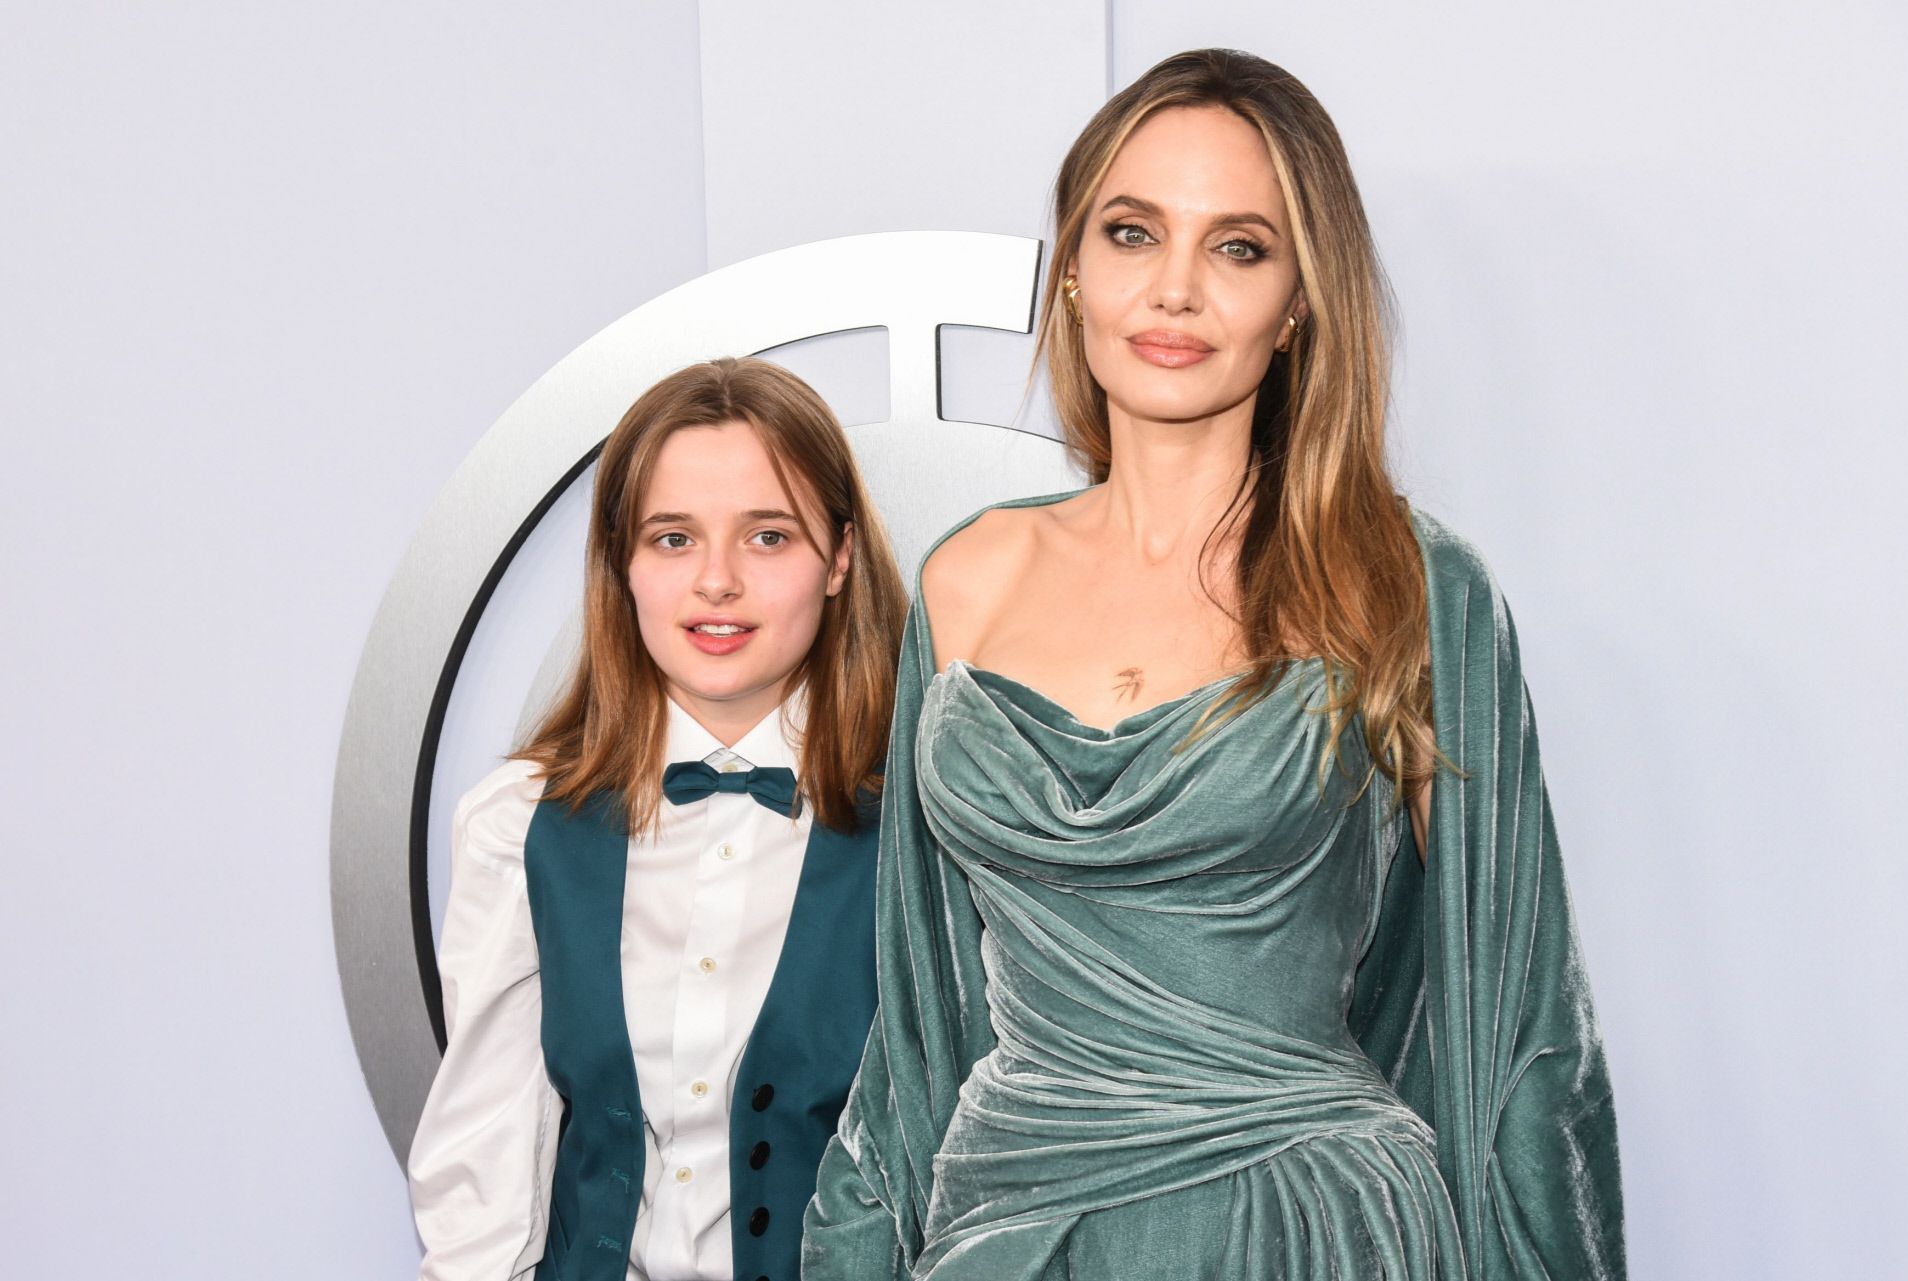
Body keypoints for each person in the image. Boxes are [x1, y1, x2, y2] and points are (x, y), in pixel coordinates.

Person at [801, 48, 1627, 1281]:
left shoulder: (1402, 582)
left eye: (1238, 247)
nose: (1174, 290)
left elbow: (1522, 1039)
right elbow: (918, 1028)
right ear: (1073, 270)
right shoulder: (968, 579)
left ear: (1300, 301)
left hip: (1311, 1230)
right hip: (1010, 1227)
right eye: (1132, 233)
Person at [407, 356, 908, 1281]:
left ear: (839, 559)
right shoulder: (518, 823)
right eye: (673, 539)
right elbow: (481, 1164)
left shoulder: (928, 822)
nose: (716, 581)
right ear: (621, 563)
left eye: (768, 536)